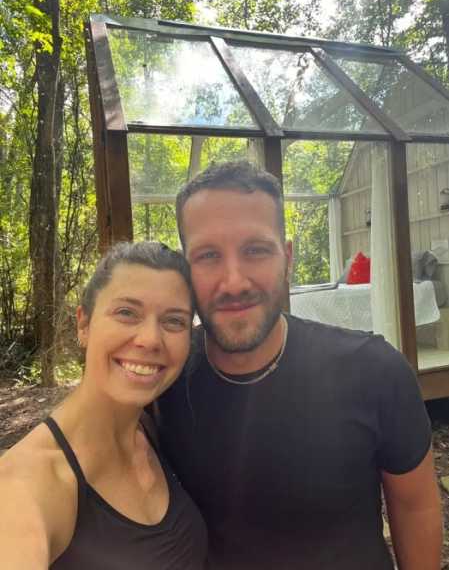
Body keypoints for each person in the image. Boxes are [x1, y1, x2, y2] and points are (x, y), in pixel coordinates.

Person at [157, 161, 443, 570]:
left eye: (256, 250)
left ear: (287, 258)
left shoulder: (373, 371)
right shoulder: (163, 379)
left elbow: (415, 508)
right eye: (208, 255)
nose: (234, 281)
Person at [0, 241, 207, 569]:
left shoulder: (156, 429)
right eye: (127, 313)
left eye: (174, 321)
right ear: (83, 324)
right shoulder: (27, 484)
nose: (150, 339)